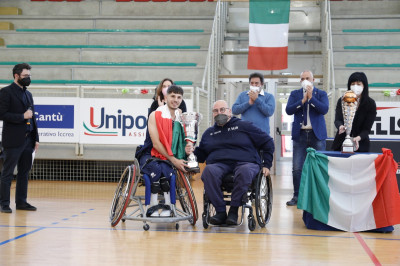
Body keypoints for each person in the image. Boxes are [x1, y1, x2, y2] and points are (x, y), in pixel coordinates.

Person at [191, 100, 274, 225]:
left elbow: (267, 141)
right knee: (208, 171)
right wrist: (191, 152)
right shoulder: (209, 133)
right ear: (212, 114)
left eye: (222, 110)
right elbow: (201, 155)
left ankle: (234, 211)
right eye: (216, 111)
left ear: (229, 111)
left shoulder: (245, 126)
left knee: (244, 171)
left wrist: (267, 164)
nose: (219, 113)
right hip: (219, 164)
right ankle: (220, 212)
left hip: (245, 162)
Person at [139, 85, 189, 217]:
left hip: (168, 155)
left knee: (168, 172)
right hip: (150, 153)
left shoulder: (182, 117)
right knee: (156, 169)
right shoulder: (155, 115)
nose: (176, 100)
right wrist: (173, 160)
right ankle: (154, 206)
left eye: (179, 97)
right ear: (166, 97)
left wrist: (188, 148)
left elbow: (183, 141)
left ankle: (168, 206)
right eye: (172, 96)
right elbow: (156, 143)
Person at [285, 70, 329, 206]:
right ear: (300, 81)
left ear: (313, 80)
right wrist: (303, 100)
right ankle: (297, 196)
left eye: (307, 78)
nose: (305, 80)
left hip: (317, 135)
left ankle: (320, 195)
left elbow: (324, 109)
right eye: (303, 78)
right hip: (300, 135)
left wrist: (311, 99)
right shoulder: (295, 94)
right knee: (297, 167)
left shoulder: (321, 94)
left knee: (320, 167)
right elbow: (288, 110)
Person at [0, 63, 39, 213]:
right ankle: (4, 203)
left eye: (29, 75)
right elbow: (2, 114)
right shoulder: (6, 92)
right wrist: (21, 116)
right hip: (13, 139)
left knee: (24, 172)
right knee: (8, 172)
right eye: (25, 76)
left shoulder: (28, 94)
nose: (28, 78)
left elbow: (33, 118)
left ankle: (21, 202)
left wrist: (36, 138)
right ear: (16, 76)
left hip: (28, 140)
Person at [331, 72, 376, 152]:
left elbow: (367, 129)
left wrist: (357, 138)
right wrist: (340, 126)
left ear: (364, 86)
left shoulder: (370, 104)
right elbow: (337, 120)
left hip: (361, 145)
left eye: (358, 84)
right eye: (353, 83)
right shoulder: (342, 100)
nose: (355, 86)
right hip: (341, 143)